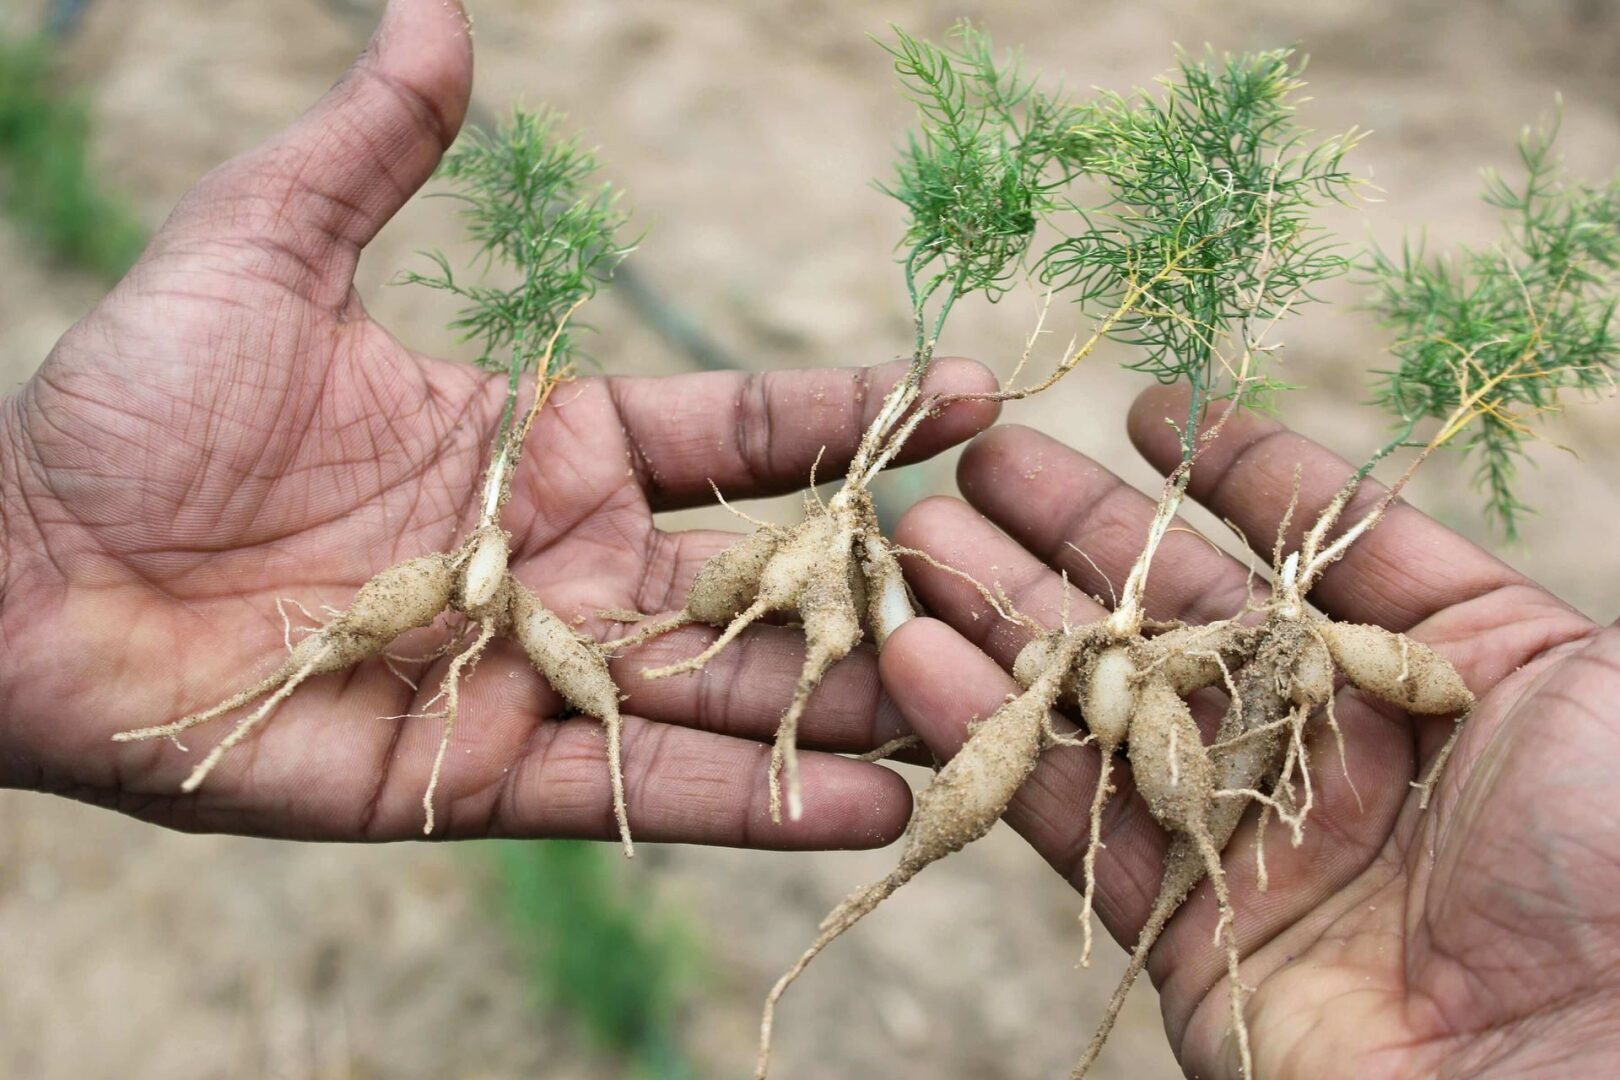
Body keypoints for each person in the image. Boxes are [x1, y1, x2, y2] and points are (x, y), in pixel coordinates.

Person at [2, 1, 1616, 1075]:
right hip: (905, 604)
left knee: (1119, 752)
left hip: (1148, 650)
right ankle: (332, 682)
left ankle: (367, 686)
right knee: (765, 644)